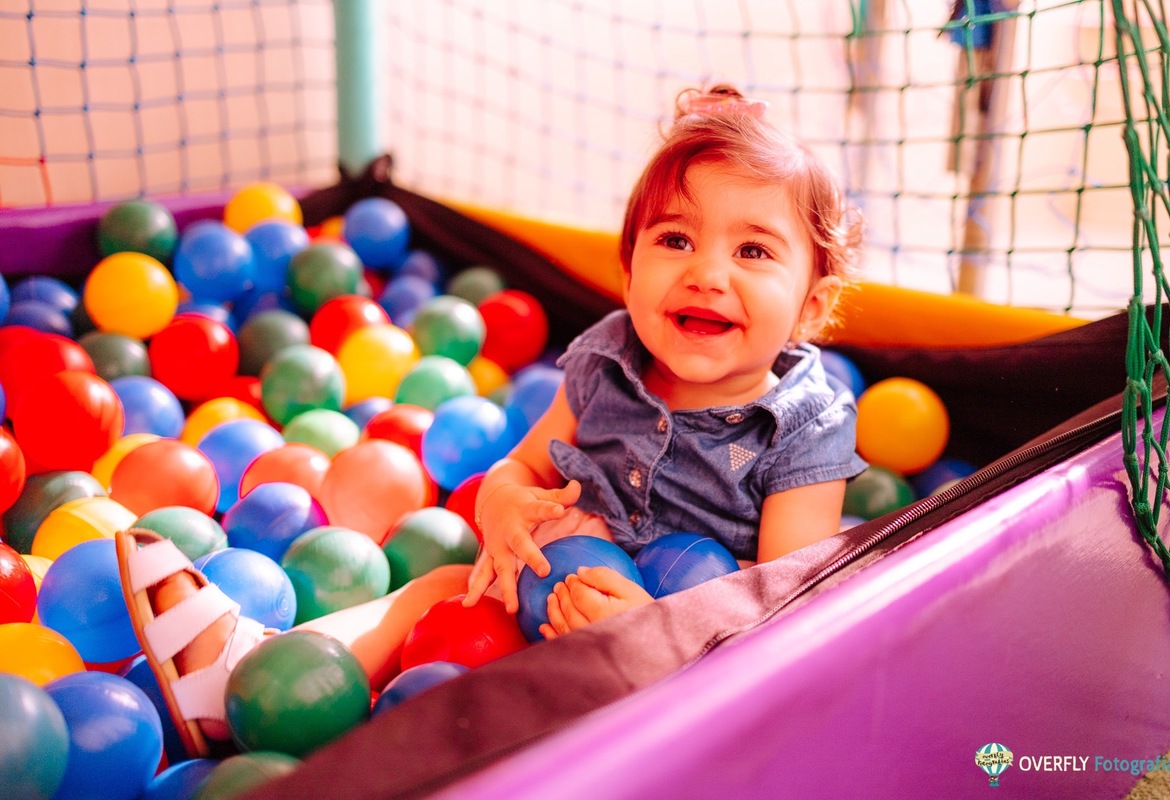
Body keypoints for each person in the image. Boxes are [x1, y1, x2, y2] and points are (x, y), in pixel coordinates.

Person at [117, 83, 866, 758]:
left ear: (811, 305)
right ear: (629, 268)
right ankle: (244, 672)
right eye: (676, 239)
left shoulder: (805, 423)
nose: (708, 271)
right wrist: (505, 500)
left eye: (753, 250)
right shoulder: (608, 360)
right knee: (444, 586)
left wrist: (655, 627)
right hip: (542, 595)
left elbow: (784, 604)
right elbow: (526, 466)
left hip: (674, 676)